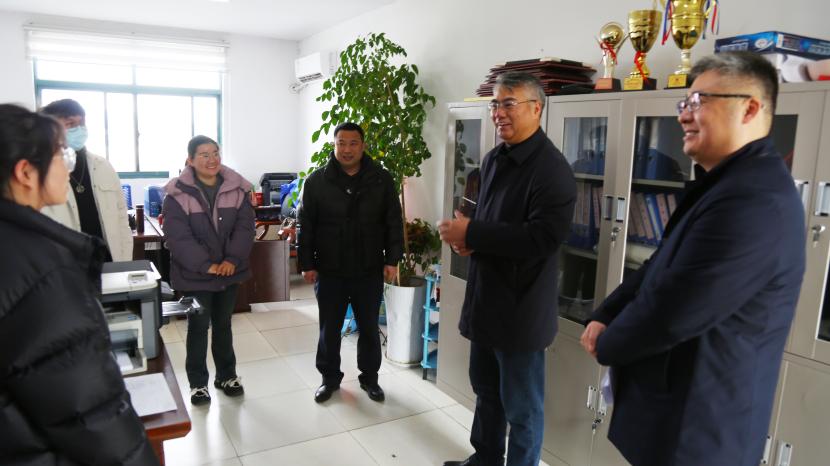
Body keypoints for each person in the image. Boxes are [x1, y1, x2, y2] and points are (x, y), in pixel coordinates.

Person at [579, 51, 806, 466]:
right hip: (677, 408)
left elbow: (676, 308)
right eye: (684, 103)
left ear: (750, 109)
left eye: (699, 102)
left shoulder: (754, 199)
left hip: (702, 427)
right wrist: (607, 313)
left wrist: (609, 342)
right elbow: (661, 264)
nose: (684, 115)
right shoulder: (723, 184)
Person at [0, 103, 158, 465]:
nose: (67, 166)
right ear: (25, 173)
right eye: (59, 154)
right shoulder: (46, 270)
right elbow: (90, 411)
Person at [438, 72, 577, 466]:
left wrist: (474, 232)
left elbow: (542, 239)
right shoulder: (494, 159)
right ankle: (485, 459)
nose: (499, 112)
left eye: (508, 103)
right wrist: (469, 239)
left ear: (536, 108)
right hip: (486, 298)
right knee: (486, 390)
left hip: (521, 310)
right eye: (495, 104)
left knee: (522, 409)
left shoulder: (552, 170)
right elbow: (489, 221)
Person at [297, 122, 403, 404]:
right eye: (341, 143)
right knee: (329, 329)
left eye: (353, 143)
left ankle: (370, 378)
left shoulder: (380, 179)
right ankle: (329, 378)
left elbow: (393, 221)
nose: (346, 149)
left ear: (363, 146)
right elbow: (305, 226)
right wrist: (307, 263)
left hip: (368, 268)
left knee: (368, 328)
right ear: (333, 145)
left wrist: (392, 259)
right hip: (329, 269)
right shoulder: (316, 181)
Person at [162, 135, 255, 405]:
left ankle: (226, 376)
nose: (212, 159)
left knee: (224, 324)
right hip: (196, 274)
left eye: (215, 153)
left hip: (229, 271)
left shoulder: (237, 188)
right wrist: (206, 265)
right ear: (190, 160)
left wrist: (231, 260)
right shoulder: (177, 194)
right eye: (204, 154)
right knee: (199, 326)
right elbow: (178, 237)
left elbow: (245, 227)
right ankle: (198, 384)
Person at [40, 99, 133, 261]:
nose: (79, 129)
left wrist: (124, 261)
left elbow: (121, 218)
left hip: (107, 260)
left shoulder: (103, 166)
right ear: (50, 129)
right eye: (70, 124)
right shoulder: (42, 172)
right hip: (66, 264)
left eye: (82, 123)